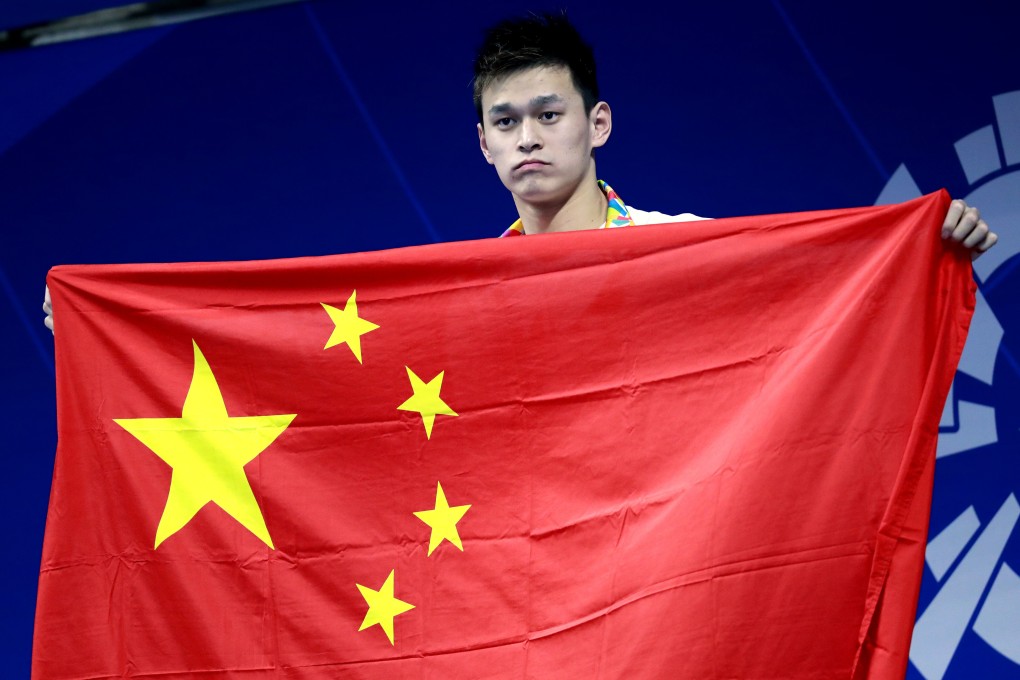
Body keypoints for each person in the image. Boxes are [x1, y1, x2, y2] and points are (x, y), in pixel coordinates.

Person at [43, 13, 997, 331]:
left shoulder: (681, 246)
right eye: (508, 122)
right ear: (484, 145)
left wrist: (927, 251)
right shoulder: (464, 292)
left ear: (599, 122)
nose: (530, 136)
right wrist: (107, 324)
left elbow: (823, 292)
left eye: (549, 114)